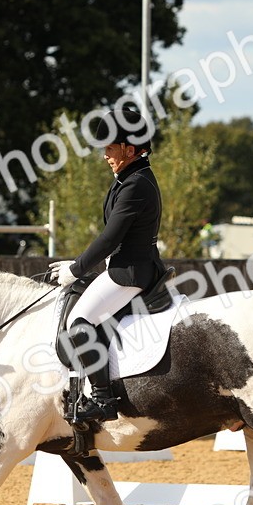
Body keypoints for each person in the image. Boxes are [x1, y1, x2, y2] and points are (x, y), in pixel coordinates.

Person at [48, 109, 165, 422]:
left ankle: (103, 399)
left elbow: (110, 238)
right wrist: (76, 263)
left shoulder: (136, 184)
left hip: (130, 272)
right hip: (127, 265)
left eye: (110, 149)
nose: (105, 156)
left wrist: (75, 269)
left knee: (79, 322)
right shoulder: (130, 178)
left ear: (129, 149)